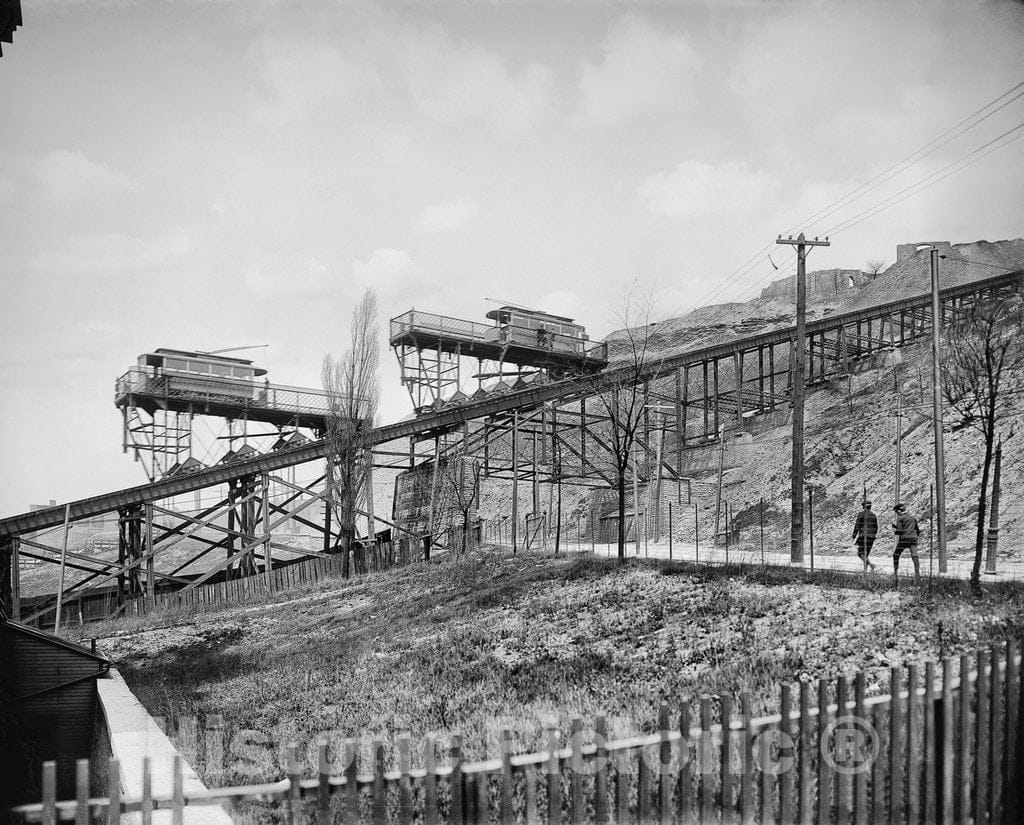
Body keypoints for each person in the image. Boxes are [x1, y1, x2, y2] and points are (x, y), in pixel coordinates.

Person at [891, 503, 921, 585]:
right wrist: (914, 536)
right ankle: (917, 574)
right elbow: (918, 530)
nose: (896, 514)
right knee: (915, 556)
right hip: (913, 539)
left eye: (896, 512)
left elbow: (900, 531)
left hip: (904, 539)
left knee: (896, 554)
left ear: (899, 511)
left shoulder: (900, 518)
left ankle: (895, 573)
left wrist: (894, 528)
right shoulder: (912, 518)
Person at [851, 500, 878, 571]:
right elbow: (876, 527)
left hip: (863, 536)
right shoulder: (873, 515)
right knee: (866, 555)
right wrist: (873, 535)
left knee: (860, 553)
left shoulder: (861, 514)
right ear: (870, 507)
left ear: (863, 506)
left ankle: (871, 565)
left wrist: (854, 535)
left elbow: (857, 525)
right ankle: (865, 571)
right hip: (872, 537)